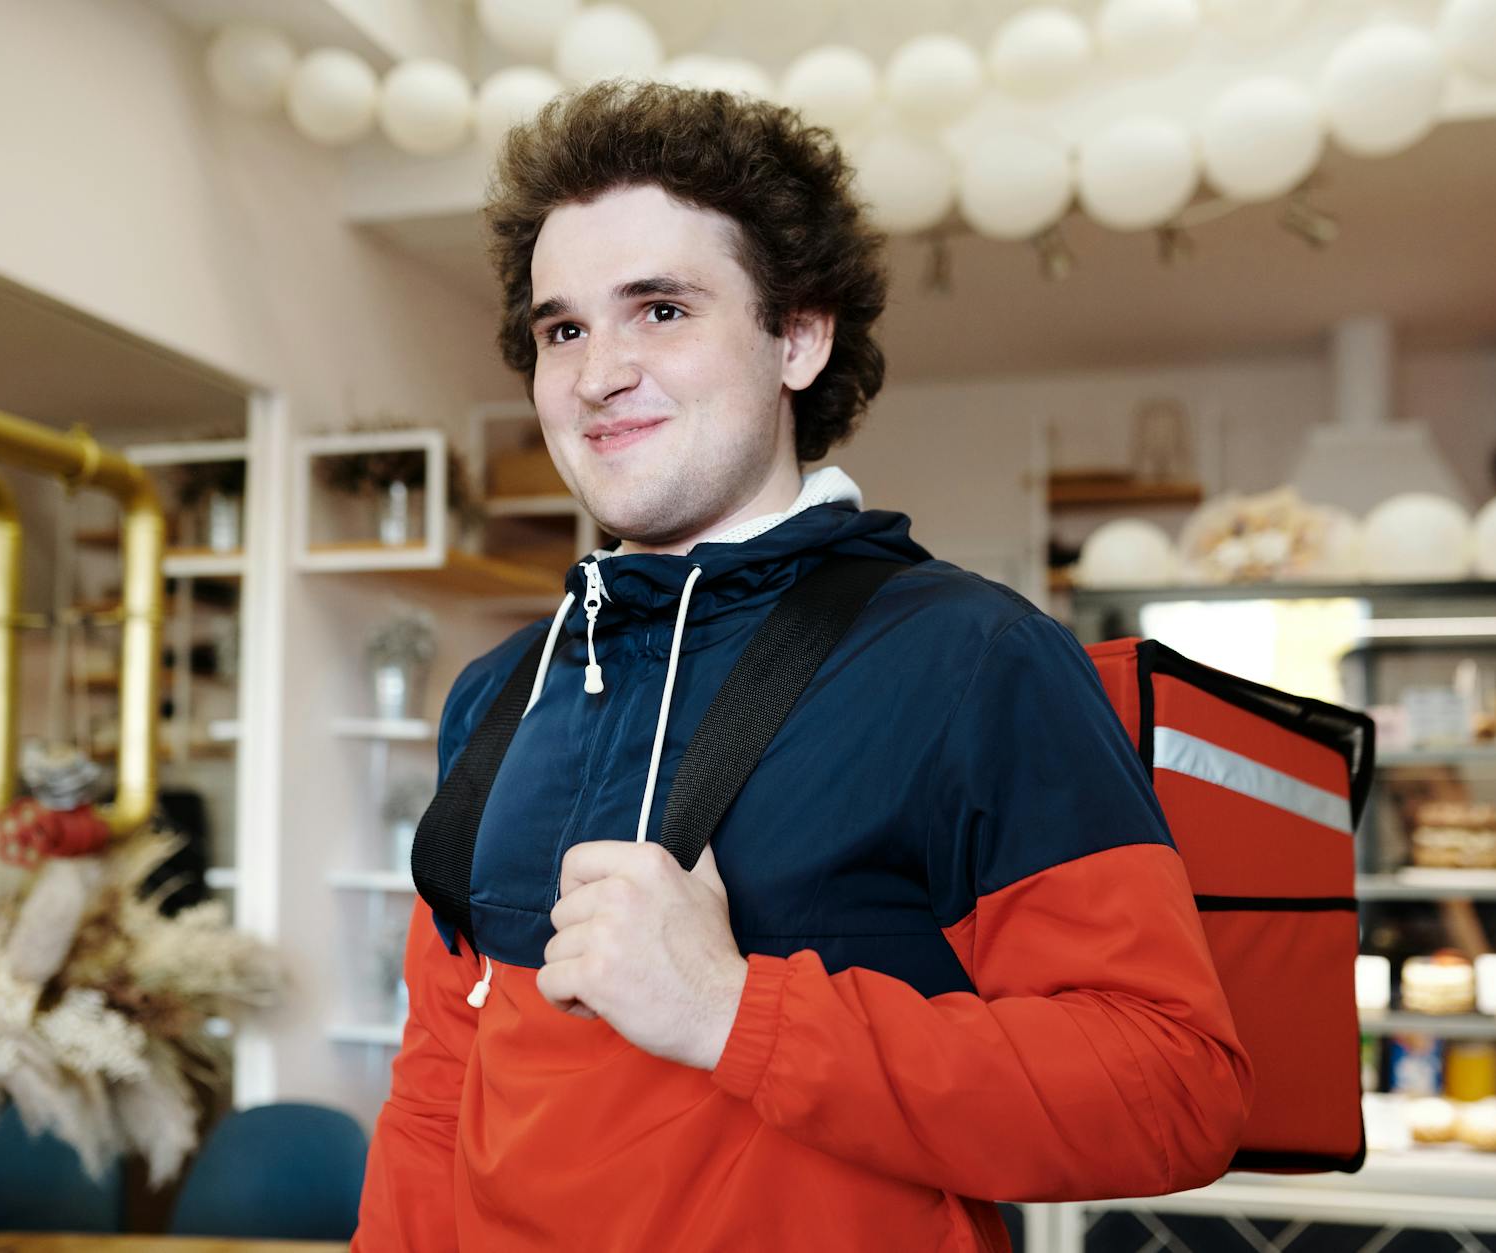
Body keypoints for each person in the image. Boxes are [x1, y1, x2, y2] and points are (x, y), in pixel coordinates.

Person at [354, 82, 1251, 1252]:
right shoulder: (501, 691)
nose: (595, 373)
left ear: (798, 336)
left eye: (661, 310)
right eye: (562, 328)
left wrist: (731, 1010)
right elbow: (439, 1077)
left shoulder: (971, 657)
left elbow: (1173, 1086)